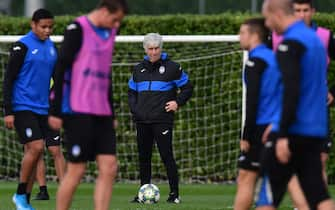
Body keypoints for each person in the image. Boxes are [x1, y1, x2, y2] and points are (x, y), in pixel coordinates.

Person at [48, 0, 128, 210]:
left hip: (101, 111)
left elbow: (105, 74)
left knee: (109, 167)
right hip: (78, 110)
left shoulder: (110, 33)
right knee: (76, 170)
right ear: (103, 11)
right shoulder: (77, 29)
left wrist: (111, 113)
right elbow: (60, 68)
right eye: (115, 19)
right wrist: (55, 111)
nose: (116, 25)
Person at [255, 0, 335, 209]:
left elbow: (291, 90)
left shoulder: (289, 44)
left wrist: (280, 130)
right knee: (318, 195)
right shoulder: (315, 39)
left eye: (267, 18)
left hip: (292, 131)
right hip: (315, 129)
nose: (268, 24)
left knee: (267, 196)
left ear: (277, 14)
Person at [3, 8, 62, 210]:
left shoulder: (52, 48)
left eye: (50, 27)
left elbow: (58, 79)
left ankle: (24, 201)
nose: (47, 30)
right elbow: (8, 79)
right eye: (43, 27)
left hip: (44, 109)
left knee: (36, 153)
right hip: (22, 107)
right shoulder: (22, 46)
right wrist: (8, 111)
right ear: (33, 25)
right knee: (36, 147)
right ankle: (20, 193)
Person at [128, 33, 193, 204]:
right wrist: (135, 110)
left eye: (156, 48)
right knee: (144, 157)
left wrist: (177, 102)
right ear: (145, 50)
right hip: (142, 121)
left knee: (166, 155)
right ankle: (143, 192)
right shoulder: (138, 69)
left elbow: (187, 88)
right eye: (150, 49)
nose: (154, 52)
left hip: (162, 120)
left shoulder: (172, 68)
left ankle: (174, 194)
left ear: (161, 49)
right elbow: (131, 92)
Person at [234, 18, 281, 210]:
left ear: (254, 36)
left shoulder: (256, 62)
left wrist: (247, 135)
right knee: (294, 181)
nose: (240, 37)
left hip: (262, 128)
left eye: (242, 32)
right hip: (278, 125)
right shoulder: (274, 57)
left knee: (246, 178)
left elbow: (252, 100)